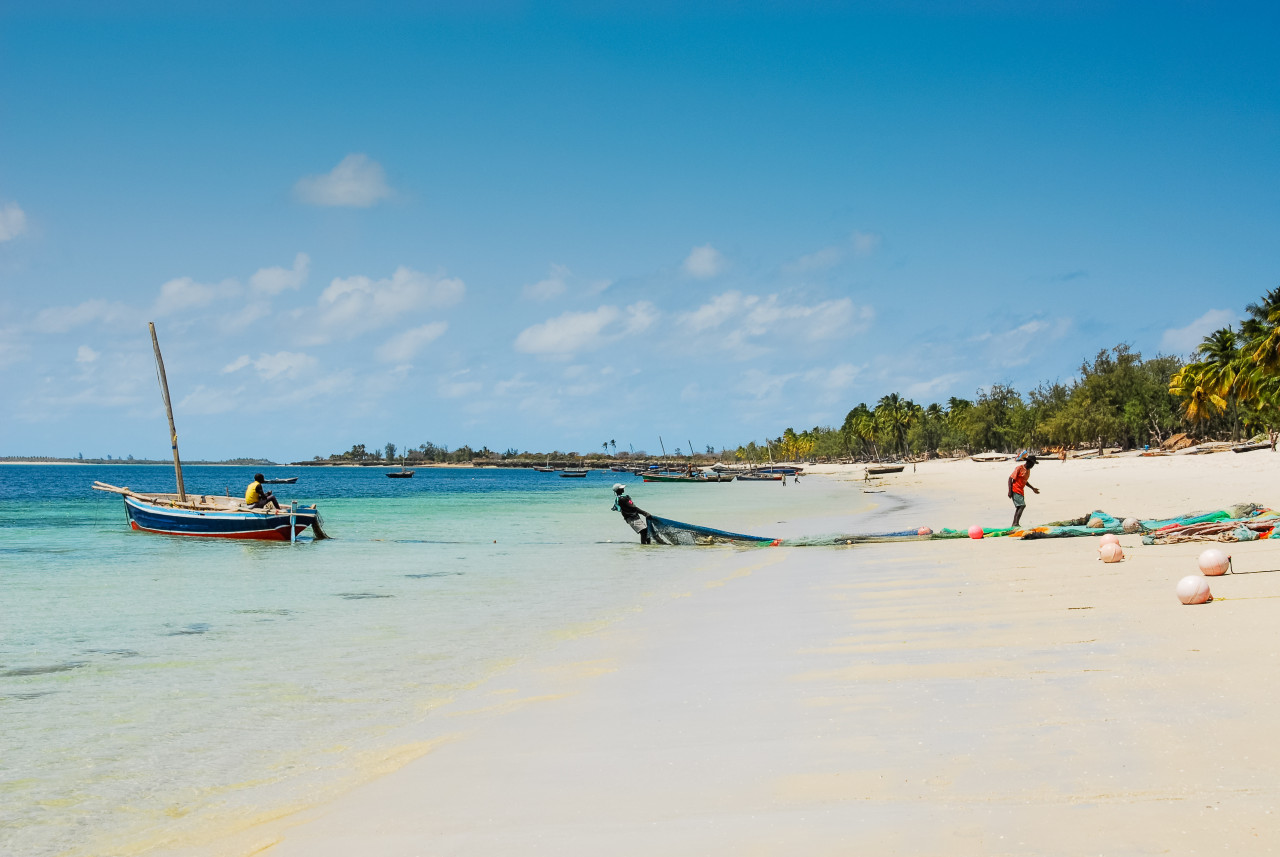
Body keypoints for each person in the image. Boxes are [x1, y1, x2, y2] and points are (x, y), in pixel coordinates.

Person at [1008, 454, 1039, 527]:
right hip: (1015, 489)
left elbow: (1025, 481)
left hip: (1021, 491)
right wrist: (1010, 491)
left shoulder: (1028, 471)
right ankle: (1016, 523)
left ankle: (1014, 524)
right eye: (1032, 464)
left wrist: (1033, 488)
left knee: (1019, 507)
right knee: (1022, 506)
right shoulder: (1019, 468)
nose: (1032, 466)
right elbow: (1010, 478)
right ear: (1028, 462)